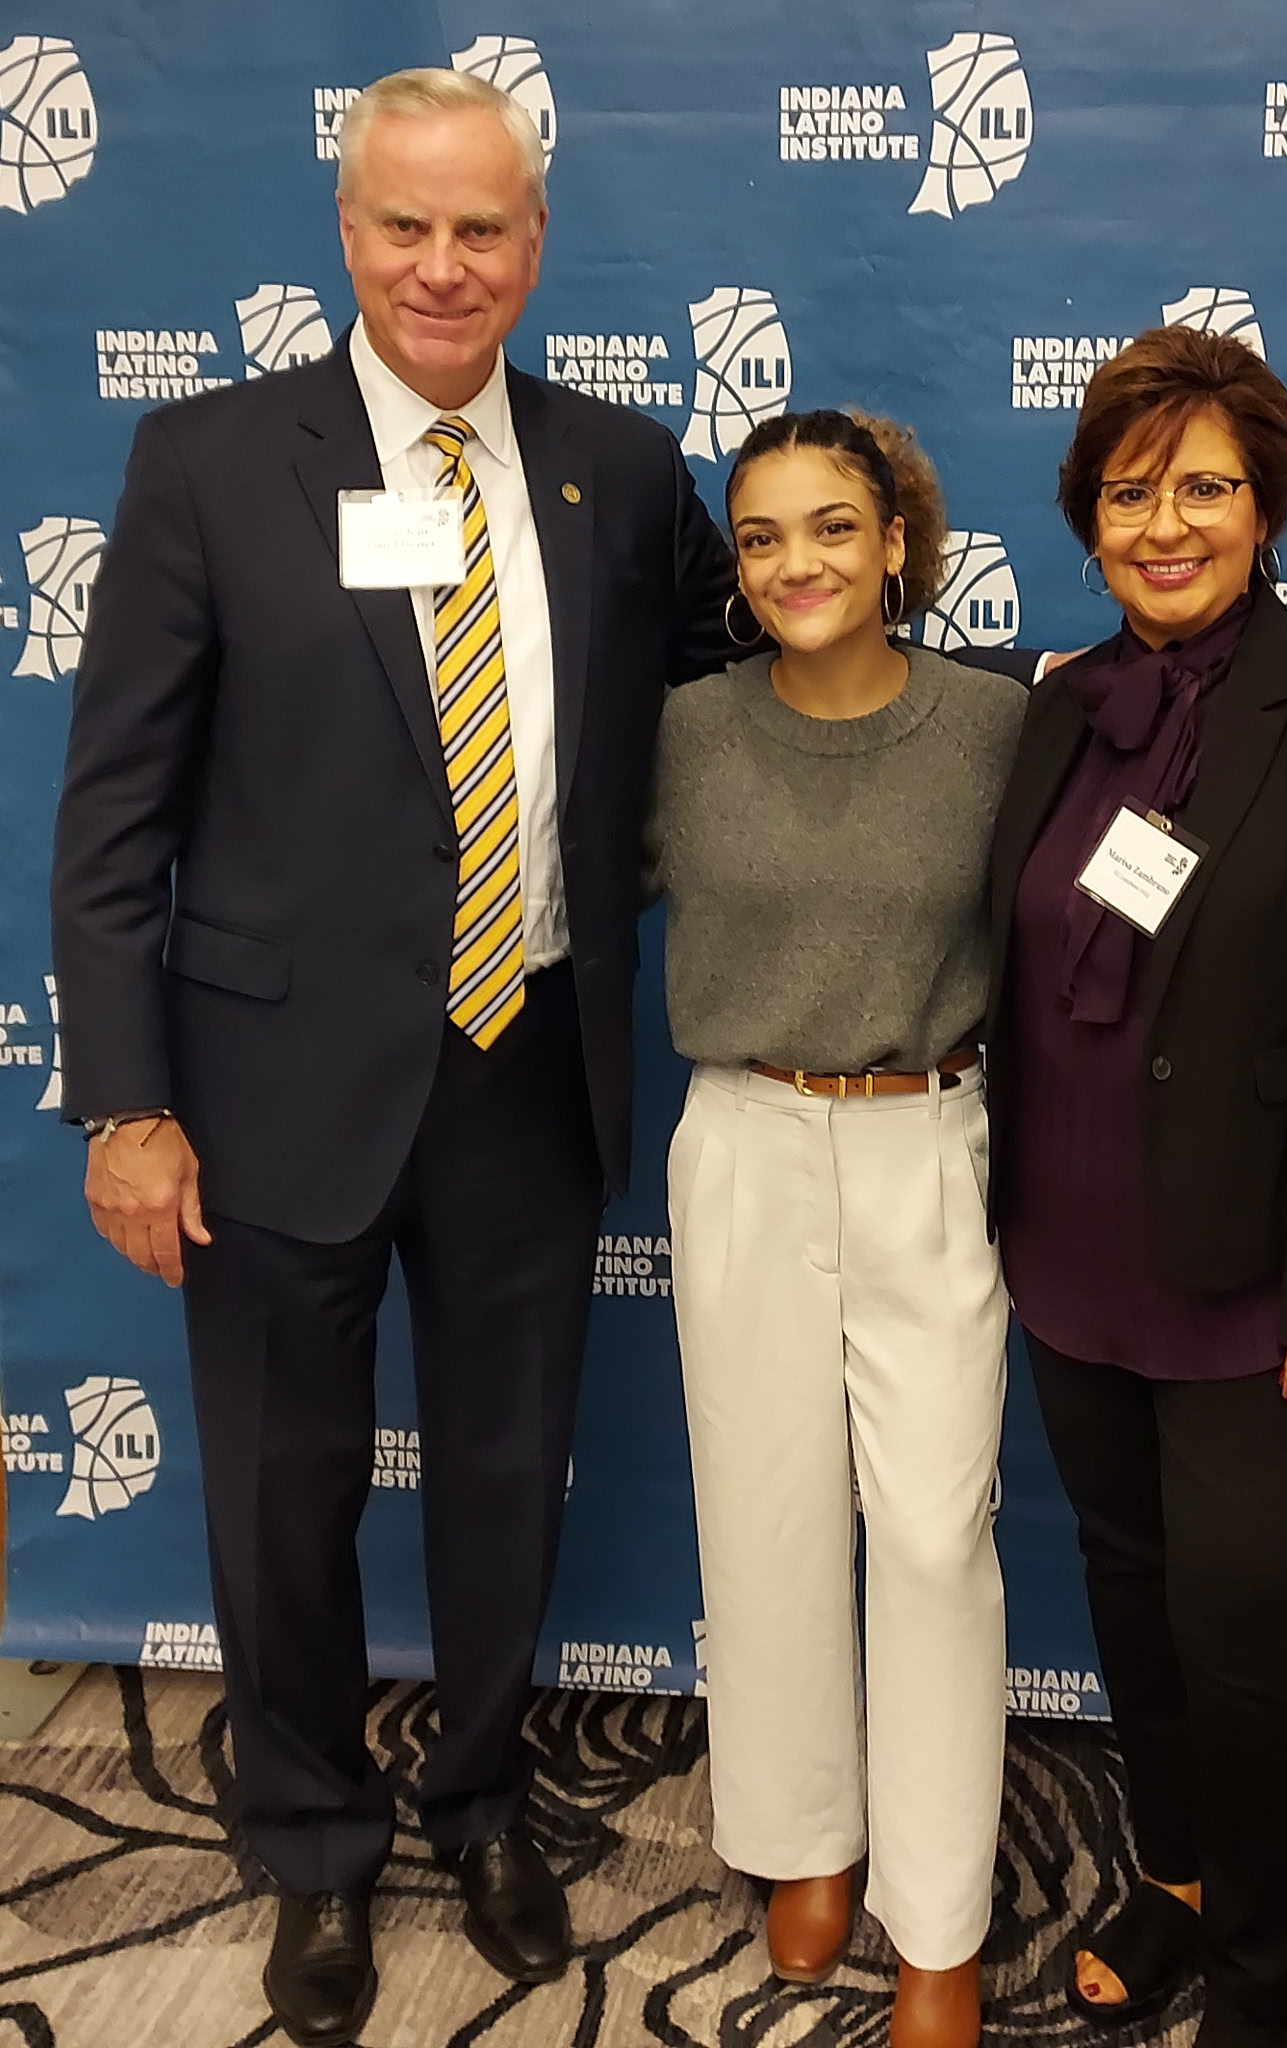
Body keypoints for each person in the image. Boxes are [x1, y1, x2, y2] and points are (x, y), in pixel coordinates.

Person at [50, 67, 734, 2048]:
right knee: (282, 1491)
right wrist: (126, 1094)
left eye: (485, 228)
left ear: (537, 244)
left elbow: (732, 708)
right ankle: (314, 1847)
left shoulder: (623, 469)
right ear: (346, 233)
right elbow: (114, 820)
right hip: (266, 1094)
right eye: (407, 225)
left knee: (510, 1480)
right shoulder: (205, 460)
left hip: (530, 1066)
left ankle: (488, 1805)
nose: (446, 265)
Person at [983, 326, 1287, 2048]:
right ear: (1087, 518)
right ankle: (1176, 1872)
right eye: (1131, 492)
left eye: (1205, 488)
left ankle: (1264, 1959)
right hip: (1070, 1249)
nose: (1166, 524)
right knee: (1128, 1583)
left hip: (1257, 1276)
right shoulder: (1055, 707)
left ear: (1266, 509)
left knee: (1245, 1627)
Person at [647, 409, 1043, 2048]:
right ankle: (801, 1837)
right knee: (764, 1515)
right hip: (741, 1135)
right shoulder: (678, 731)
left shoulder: (1001, 728)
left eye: (831, 527)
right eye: (760, 536)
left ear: (898, 546)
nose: (796, 561)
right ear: (735, 570)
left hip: (926, 1138)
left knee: (940, 1534)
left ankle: (939, 1918)